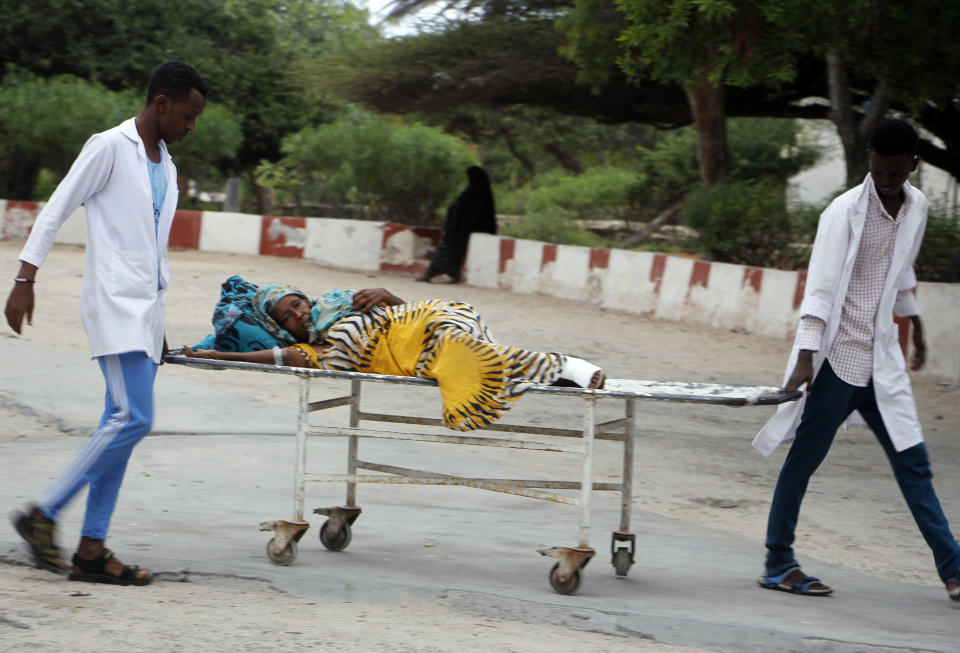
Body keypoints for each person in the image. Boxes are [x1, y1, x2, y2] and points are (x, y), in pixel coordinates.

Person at [4, 62, 208, 586]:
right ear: (161, 103)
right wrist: (25, 278)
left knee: (116, 425)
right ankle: (42, 515)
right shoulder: (108, 147)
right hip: (114, 303)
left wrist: (159, 318)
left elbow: (155, 247)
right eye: (187, 115)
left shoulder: (166, 163)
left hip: (146, 312)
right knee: (134, 418)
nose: (191, 126)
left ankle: (92, 549)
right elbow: (57, 208)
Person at [753, 118, 960, 601]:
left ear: (913, 164)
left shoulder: (918, 206)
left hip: (882, 360)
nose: (887, 180)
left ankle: (953, 570)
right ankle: (778, 561)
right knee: (803, 461)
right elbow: (820, 289)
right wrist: (805, 359)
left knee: (914, 462)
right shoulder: (842, 212)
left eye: (897, 172)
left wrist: (918, 326)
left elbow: (903, 269)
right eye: (880, 170)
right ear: (869, 159)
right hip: (838, 361)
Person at [183, 282, 605, 431]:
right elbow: (277, 358)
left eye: (297, 303)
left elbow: (402, 311)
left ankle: (561, 366)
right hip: (424, 353)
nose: (299, 313)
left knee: (456, 347)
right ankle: (558, 368)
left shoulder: (339, 302)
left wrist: (389, 295)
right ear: (279, 330)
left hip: (432, 318)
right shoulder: (313, 351)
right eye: (288, 317)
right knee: (458, 357)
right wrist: (212, 354)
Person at [417, 165, 497, 284]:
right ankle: (450, 273)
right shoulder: (485, 192)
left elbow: (465, 212)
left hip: (463, 229)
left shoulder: (472, 191)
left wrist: (453, 207)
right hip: (474, 228)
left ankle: (430, 273)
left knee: (446, 246)